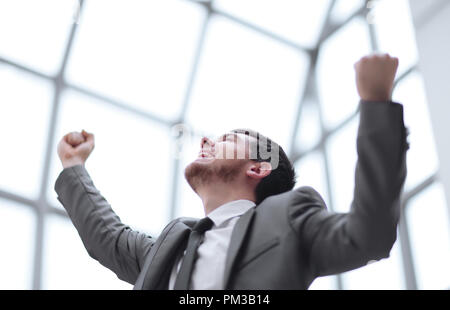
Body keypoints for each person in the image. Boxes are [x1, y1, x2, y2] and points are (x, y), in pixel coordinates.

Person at [55, 54, 408, 290]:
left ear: (258, 167)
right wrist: (74, 165)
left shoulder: (289, 219)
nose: (207, 140)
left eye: (227, 139)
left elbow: (370, 235)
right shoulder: (167, 244)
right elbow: (109, 238)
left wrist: (377, 103)